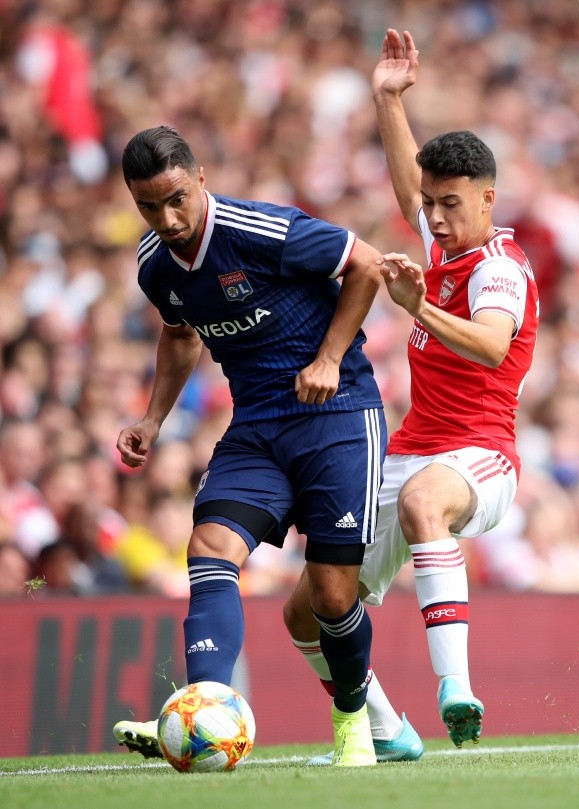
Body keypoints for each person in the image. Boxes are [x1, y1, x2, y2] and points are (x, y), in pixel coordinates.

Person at [111, 124, 421, 766]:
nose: (166, 219)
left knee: (333, 597)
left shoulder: (261, 230)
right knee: (209, 548)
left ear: (200, 180)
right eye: (147, 206)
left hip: (337, 415)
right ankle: (204, 707)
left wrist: (331, 356)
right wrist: (153, 419)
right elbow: (179, 336)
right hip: (256, 426)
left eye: (175, 199)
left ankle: (357, 724)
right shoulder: (153, 264)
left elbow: (365, 262)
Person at [284, 27, 539, 752]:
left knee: (429, 500)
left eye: (451, 204)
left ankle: (455, 687)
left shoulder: (497, 266)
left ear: (488, 199)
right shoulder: (443, 240)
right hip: (410, 452)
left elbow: (491, 346)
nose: (434, 218)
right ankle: (389, 729)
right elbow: (405, 184)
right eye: (432, 205)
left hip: (481, 456)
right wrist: (388, 99)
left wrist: (418, 309)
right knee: (309, 609)